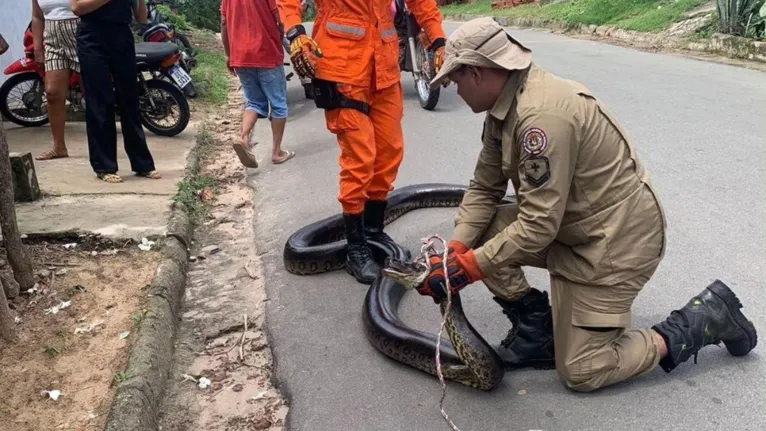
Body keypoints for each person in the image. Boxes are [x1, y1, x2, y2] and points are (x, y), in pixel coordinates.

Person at [419, 17, 757, 391]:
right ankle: (537, 331)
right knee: (480, 230)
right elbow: (484, 187)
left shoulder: (540, 120)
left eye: (454, 79)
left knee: (582, 370)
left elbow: (536, 226)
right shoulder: (504, 109)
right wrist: (456, 250)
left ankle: (706, 318)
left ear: (478, 74)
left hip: (615, 245)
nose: (453, 89)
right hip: (573, 229)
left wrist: (468, 268)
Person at [278, 0, 449, 284]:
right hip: (341, 67)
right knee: (360, 159)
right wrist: (295, 33)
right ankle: (355, 248)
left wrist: (438, 39)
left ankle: (372, 230)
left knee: (389, 152)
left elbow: (422, 3)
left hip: (383, 67)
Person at [70, 0, 161, 183]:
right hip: (92, 36)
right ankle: (104, 166)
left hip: (121, 35)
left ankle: (143, 164)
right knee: (100, 100)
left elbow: (141, 17)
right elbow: (77, 8)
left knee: (130, 99)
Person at [220, 0, 296, 169]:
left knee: (253, 102)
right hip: (266, 53)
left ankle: (243, 138)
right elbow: (280, 19)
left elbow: (224, 24)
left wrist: (228, 55)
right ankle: (277, 153)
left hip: (241, 56)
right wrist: (280, 37)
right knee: (278, 104)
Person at [31, 0, 81, 161]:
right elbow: (37, 16)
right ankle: (59, 147)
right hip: (53, 39)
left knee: (94, 94)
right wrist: (38, 47)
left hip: (82, 34)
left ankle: (102, 149)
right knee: (52, 94)